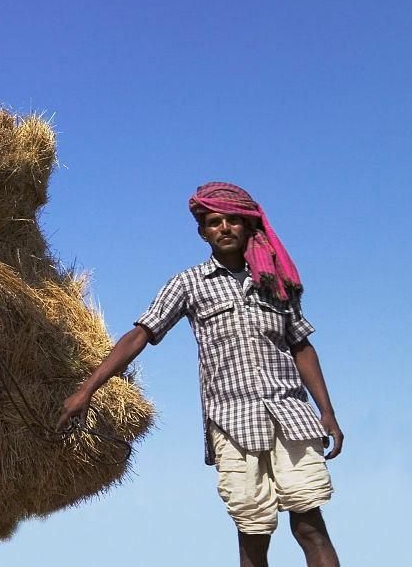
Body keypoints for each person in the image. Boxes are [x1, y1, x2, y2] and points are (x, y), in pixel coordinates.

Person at [58, 182, 343, 567]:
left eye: (232, 221)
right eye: (214, 222)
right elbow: (140, 334)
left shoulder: (274, 282)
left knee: (310, 526)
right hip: (232, 422)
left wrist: (327, 412)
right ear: (202, 231)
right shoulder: (188, 284)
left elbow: (301, 346)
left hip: (291, 417)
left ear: (247, 227)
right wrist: (87, 390)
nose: (224, 228)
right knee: (254, 534)